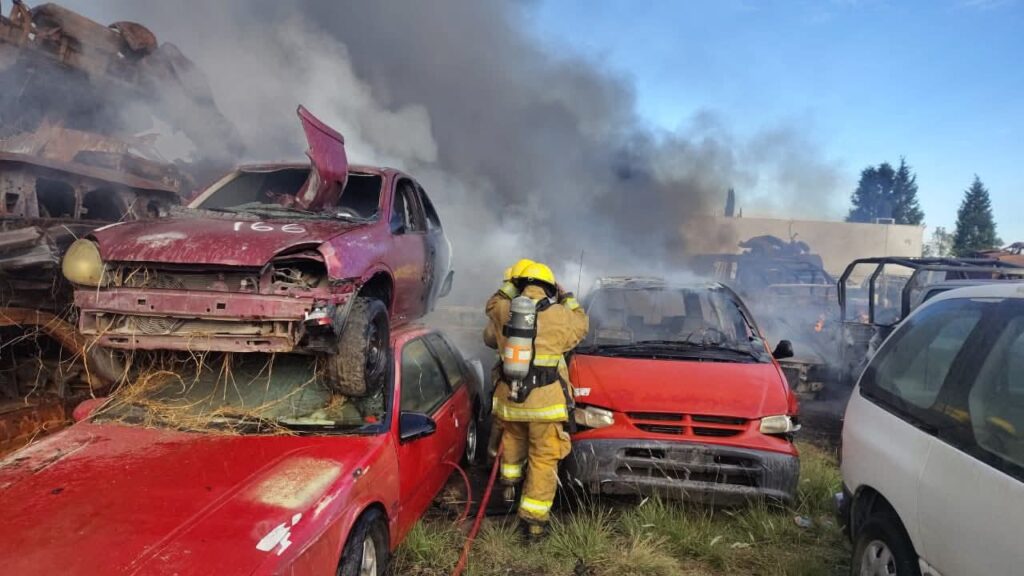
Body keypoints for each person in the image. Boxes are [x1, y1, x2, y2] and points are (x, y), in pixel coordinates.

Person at [483, 261, 589, 539]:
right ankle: (533, 522)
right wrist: (568, 299)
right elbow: (582, 324)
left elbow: (492, 303)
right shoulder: (561, 316)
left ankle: (509, 490)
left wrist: (510, 285)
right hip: (545, 405)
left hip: (510, 401)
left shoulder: (504, 309)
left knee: (512, 444)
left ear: (519, 285)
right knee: (543, 460)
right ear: (549, 288)